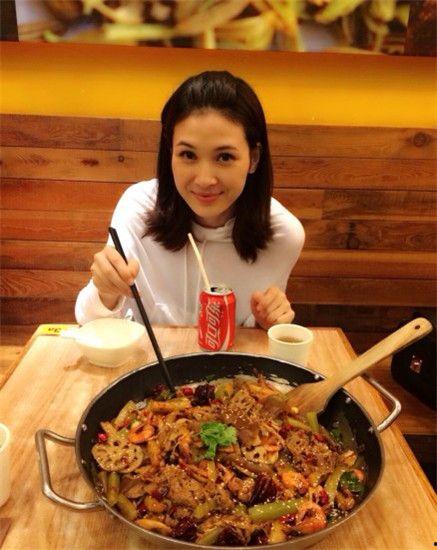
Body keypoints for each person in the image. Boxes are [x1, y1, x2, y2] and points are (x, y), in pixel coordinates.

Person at [75, 71, 305, 330]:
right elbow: (89, 322)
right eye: (188, 155)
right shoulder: (137, 210)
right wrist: (105, 291)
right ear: (170, 153)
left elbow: (255, 330)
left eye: (225, 157)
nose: (204, 180)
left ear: (253, 159)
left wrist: (268, 321)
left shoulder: (283, 236)